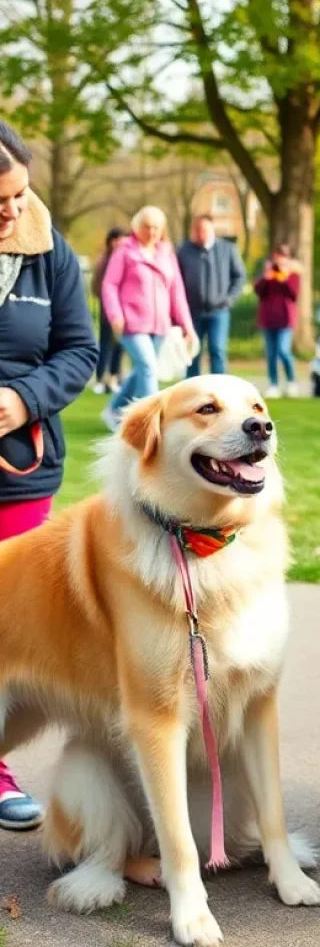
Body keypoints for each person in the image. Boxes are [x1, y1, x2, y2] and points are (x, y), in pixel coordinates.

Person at [0, 120, 97, 830]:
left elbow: (79, 350)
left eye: (20, 194)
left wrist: (22, 399)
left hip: (21, 467)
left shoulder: (47, 248)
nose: (12, 211)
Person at [100, 206, 195, 430]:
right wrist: (115, 314)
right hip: (131, 323)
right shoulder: (124, 251)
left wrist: (186, 325)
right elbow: (109, 285)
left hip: (159, 325)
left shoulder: (166, 253)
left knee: (142, 369)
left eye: (156, 227)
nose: (152, 232)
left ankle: (114, 409)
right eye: (147, 227)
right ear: (136, 227)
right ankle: (151, 421)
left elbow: (177, 291)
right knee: (148, 366)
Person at [176, 214, 246, 377]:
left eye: (204, 229)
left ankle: (219, 388)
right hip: (193, 312)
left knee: (218, 350)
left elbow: (239, 276)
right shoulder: (184, 251)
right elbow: (176, 280)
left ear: (212, 229)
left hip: (219, 311)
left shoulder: (227, 249)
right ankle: (192, 391)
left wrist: (229, 299)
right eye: (198, 230)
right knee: (193, 353)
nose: (201, 233)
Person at [253, 243, 300, 398]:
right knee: (271, 353)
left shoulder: (293, 274)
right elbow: (258, 291)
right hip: (268, 319)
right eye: (278, 255)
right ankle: (273, 384)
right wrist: (266, 278)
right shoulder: (269, 273)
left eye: (284, 255)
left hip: (285, 319)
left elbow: (294, 294)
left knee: (283, 350)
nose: (280, 259)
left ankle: (292, 381)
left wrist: (285, 278)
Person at [91, 227, 127, 394]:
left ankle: (114, 377)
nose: (118, 243)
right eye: (115, 240)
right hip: (107, 312)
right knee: (105, 346)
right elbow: (97, 287)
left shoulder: (127, 259)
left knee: (120, 347)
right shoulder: (104, 261)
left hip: (125, 312)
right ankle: (100, 379)